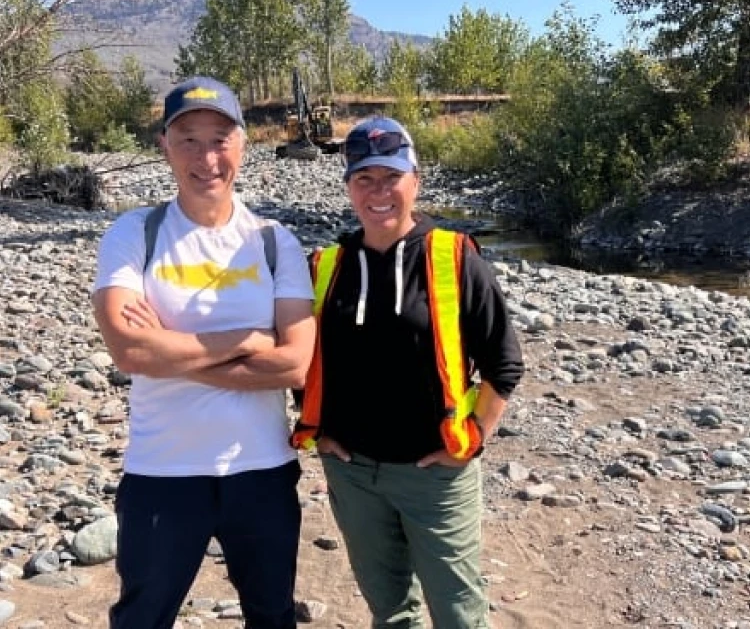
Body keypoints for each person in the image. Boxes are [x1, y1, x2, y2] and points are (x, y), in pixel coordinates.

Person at [92, 75, 316, 629]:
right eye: (187, 138)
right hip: (162, 472)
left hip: (261, 471)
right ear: (164, 146)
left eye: (219, 138)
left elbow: (294, 364)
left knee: (271, 616)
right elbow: (129, 352)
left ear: (242, 144)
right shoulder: (134, 234)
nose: (205, 156)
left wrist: (172, 350)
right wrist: (246, 340)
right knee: (142, 619)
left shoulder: (272, 241)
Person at [292, 116, 525, 628]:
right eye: (364, 179)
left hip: (436, 475)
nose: (379, 192)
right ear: (349, 186)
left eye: (391, 177)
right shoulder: (325, 266)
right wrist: (321, 433)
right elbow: (298, 359)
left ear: (415, 181)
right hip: (353, 474)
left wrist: (472, 438)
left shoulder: (454, 257)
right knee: (393, 613)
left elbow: (503, 365)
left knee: (459, 615)